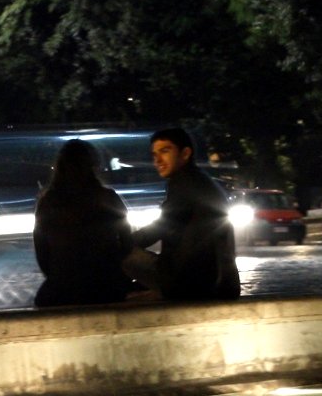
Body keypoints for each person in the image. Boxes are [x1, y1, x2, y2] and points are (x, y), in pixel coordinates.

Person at [122, 126, 240, 301]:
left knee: (124, 254)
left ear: (185, 154)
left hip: (194, 282)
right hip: (222, 282)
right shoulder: (201, 181)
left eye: (165, 151)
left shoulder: (184, 183)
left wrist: (123, 243)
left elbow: (162, 226)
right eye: (154, 155)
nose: (158, 160)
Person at [32, 139, 134, 307]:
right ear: (93, 165)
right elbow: (127, 243)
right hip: (106, 287)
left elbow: (42, 253)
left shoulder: (48, 202)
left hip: (62, 289)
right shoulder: (108, 198)